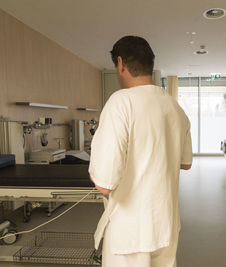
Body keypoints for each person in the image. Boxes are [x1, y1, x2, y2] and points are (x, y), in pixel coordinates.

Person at [89, 36, 193, 267]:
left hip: (131, 231)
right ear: (150, 64)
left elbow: (105, 183)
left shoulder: (120, 102)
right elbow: (185, 163)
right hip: (165, 225)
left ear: (121, 63)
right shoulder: (175, 107)